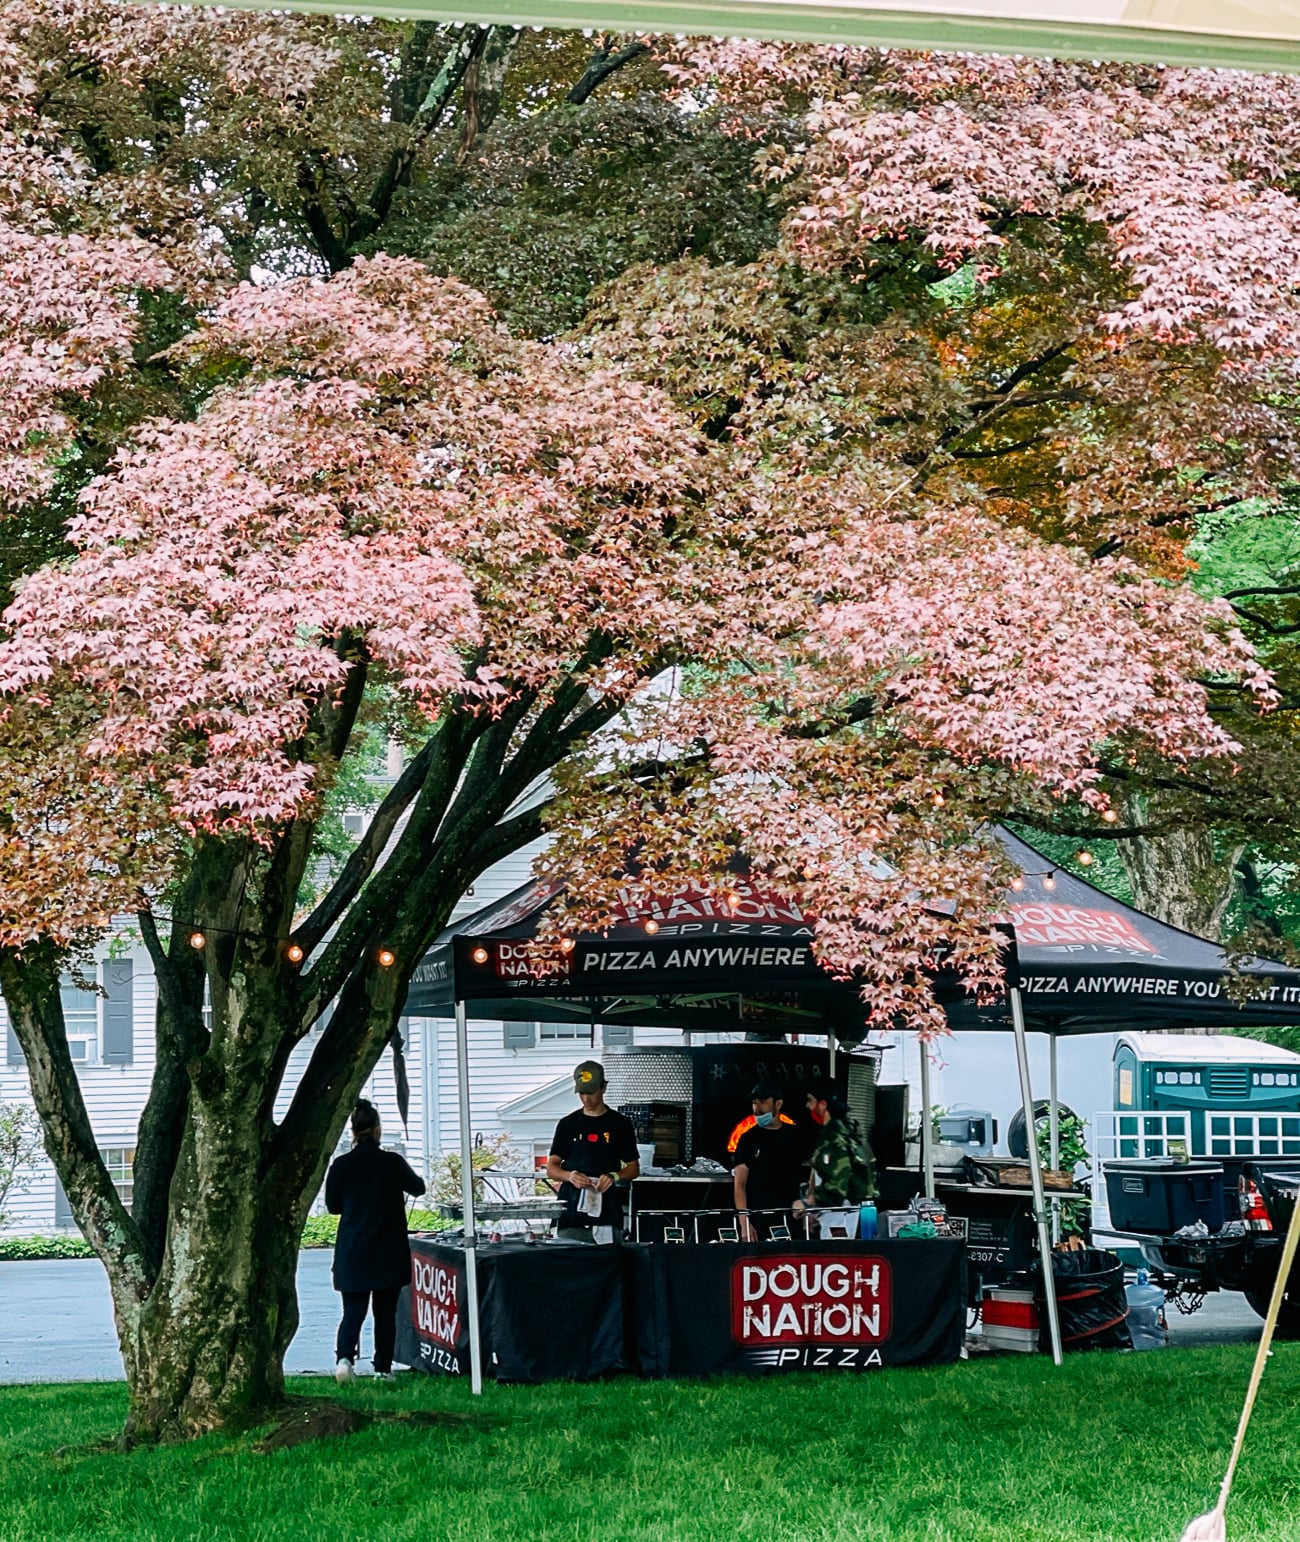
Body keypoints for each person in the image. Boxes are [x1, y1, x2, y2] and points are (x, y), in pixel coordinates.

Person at [325, 1097, 425, 1384]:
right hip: (388, 1249)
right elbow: (418, 1188)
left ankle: (345, 1359)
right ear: (378, 1129)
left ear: (353, 1132)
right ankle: (382, 1369)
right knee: (385, 1313)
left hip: (353, 1248)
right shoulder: (392, 1162)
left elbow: (333, 1206)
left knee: (352, 1311)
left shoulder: (341, 1165)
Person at [546, 1060, 640, 1243]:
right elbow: (552, 1168)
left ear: (603, 1088)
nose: (586, 1099)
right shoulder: (568, 1124)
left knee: (609, 1262)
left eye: (591, 1093)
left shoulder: (620, 1124)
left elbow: (633, 1168)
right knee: (570, 1262)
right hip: (571, 1208)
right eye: (581, 1093)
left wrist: (613, 1176)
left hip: (606, 1208)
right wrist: (569, 1176)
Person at [796, 1080, 875, 1238]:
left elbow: (837, 1184)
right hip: (840, 1212)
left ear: (823, 1104)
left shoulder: (834, 1137)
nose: (808, 1106)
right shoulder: (850, 1131)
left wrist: (807, 1204)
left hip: (838, 1214)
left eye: (811, 1101)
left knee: (835, 1256)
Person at [732, 1080, 805, 1241]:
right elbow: (739, 1184)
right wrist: (744, 1224)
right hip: (759, 1219)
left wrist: (808, 1203)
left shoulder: (796, 1136)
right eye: (754, 1103)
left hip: (792, 1218)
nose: (757, 1108)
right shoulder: (748, 1139)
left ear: (778, 1104)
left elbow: (814, 1170)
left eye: (763, 1102)